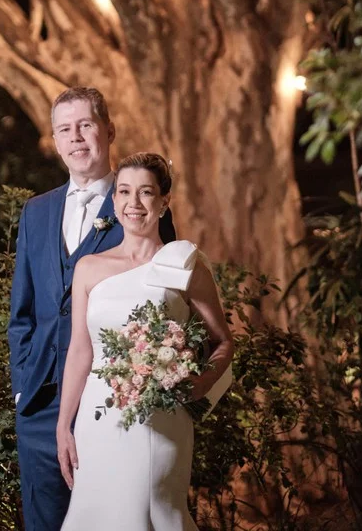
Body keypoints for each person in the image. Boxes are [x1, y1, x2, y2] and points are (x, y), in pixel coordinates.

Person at [8, 89, 176, 531]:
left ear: (109, 131)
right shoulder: (36, 212)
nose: (76, 137)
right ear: (55, 140)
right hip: (41, 405)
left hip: (111, 403)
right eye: (65, 129)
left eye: (86, 125)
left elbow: (165, 303)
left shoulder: (137, 201)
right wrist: (22, 386)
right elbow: (21, 312)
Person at [57, 153, 234, 531]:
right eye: (123, 191)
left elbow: (223, 342)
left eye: (146, 193)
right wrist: (63, 427)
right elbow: (80, 351)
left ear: (164, 202)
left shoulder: (182, 265)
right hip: (97, 418)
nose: (133, 203)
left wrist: (201, 383)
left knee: (151, 509)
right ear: (114, 200)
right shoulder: (88, 267)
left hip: (160, 417)